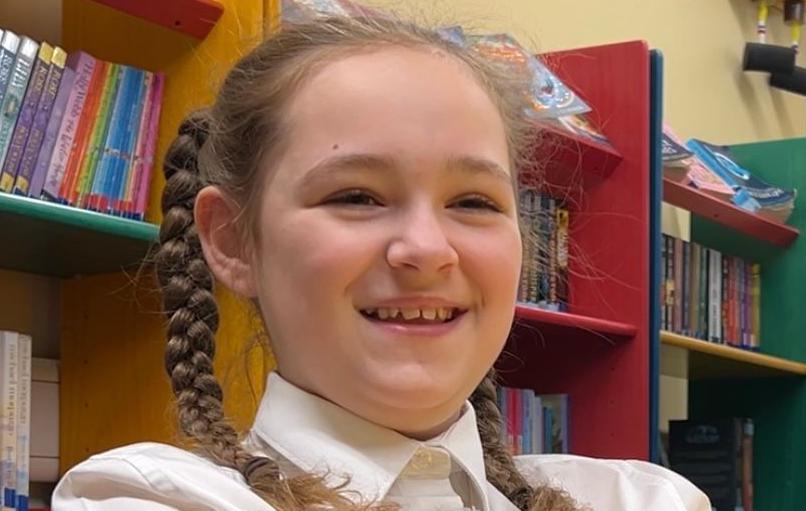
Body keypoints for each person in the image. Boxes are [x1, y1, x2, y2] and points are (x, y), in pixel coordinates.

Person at [51, 11, 711, 511]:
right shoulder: (146, 495)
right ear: (231, 240)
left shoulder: (642, 497)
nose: (425, 248)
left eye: (474, 201)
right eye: (356, 195)